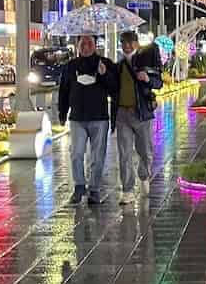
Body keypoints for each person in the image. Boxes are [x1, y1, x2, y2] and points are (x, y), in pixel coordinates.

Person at [57, 32, 114, 205]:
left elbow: (114, 88)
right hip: (77, 119)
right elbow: (64, 91)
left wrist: (105, 74)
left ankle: (94, 189)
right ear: (78, 45)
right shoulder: (71, 66)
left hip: (99, 118)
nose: (86, 47)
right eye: (83, 43)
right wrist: (62, 113)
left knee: (98, 156)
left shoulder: (105, 63)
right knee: (76, 153)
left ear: (95, 45)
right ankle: (79, 186)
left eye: (90, 43)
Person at [113, 29, 163, 203]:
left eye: (130, 42)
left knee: (146, 152)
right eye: (123, 43)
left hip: (141, 114)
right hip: (122, 114)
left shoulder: (145, 61)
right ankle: (127, 190)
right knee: (124, 154)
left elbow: (158, 83)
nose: (127, 46)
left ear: (136, 43)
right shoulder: (118, 66)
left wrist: (147, 79)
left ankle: (144, 176)